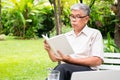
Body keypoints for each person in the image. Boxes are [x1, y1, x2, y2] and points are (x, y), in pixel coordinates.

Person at [44, 3, 104, 80]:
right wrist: (49, 50)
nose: (73, 19)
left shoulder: (94, 34)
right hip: (67, 71)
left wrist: (70, 60)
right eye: (72, 16)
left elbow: (97, 61)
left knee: (62, 68)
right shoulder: (67, 36)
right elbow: (55, 59)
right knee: (59, 71)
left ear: (86, 19)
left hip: (88, 72)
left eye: (78, 16)